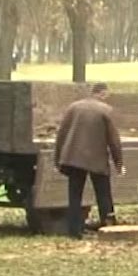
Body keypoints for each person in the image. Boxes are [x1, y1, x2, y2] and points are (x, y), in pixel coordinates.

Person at [53, 82, 125, 238]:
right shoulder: (106, 111)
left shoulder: (73, 107)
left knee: (74, 195)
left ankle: (74, 231)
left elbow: (61, 134)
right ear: (103, 94)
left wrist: (58, 159)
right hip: (96, 160)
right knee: (103, 193)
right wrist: (118, 163)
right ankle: (109, 226)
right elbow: (114, 140)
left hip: (73, 158)